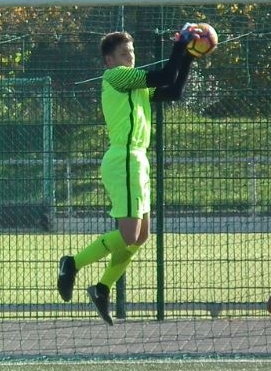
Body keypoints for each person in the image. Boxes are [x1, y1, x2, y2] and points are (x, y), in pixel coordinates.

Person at [57, 25, 199, 324]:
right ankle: (72, 263)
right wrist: (180, 46)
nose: (130, 58)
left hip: (137, 160)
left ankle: (101, 287)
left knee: (140, 237)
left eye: (132, 53)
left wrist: (188, 56)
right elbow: (164, 76)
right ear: (109, 60)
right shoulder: (115, 76)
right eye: (124, 54)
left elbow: (173, 90)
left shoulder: (135, 85)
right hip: (123, 158)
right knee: (128, 235)